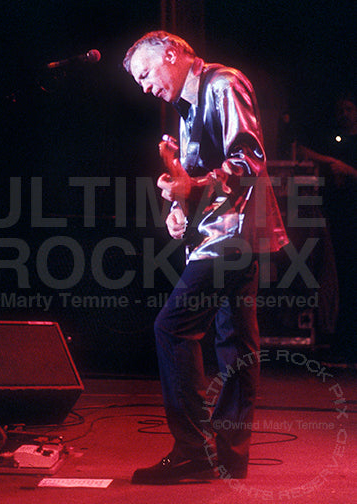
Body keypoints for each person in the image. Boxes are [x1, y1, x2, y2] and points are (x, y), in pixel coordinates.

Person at [123, 31, 288, 484]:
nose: (144, 86)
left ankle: (194, 450)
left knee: (173, 327)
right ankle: (229, 457)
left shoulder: (222, 84)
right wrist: (179, 208)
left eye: (145, 73)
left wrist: (190, 188)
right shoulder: (187, 105)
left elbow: (250, 159)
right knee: (236, 344)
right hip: (228, 234)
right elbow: (194, 177)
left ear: (172, 55)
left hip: (231, 237)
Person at [298, 92, 357, 362]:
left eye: (348, 109)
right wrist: (332, 163)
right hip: (339, 219)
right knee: (339, 278)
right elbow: (302, 151)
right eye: (339, 109)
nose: (343, 114)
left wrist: (349, 171)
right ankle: (340, 341)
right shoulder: (333, 142)